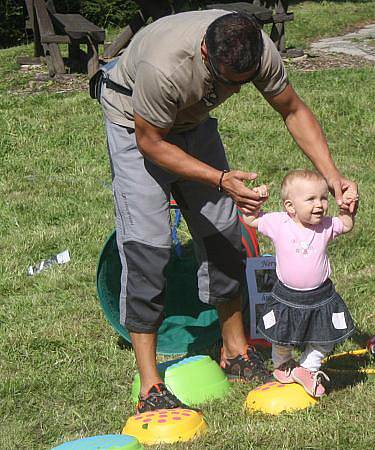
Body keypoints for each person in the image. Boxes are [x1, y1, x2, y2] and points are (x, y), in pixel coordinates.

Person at [99, 11, 358, 413]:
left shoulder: (256, 48)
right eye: (227, 82)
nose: (236, 92)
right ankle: (150, 384)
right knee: (148, 248)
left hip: (191, 123)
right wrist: (220, 179)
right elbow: (151, 142)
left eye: (244, 82)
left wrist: (333, 177)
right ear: (205, 51)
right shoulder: (165, 68)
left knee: (223, 232)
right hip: (136, 125)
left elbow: (292, 110)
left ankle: (236, 353)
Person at [242, 170, 357, 397]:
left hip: (321, 296)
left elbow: (346, 224)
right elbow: (250, 220)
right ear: (290, 206)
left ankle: (308, 368)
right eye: (311, 199)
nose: (320, 205)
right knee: (281, 335)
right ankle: (283, 364)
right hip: (287, 296)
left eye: (323, 198)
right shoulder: (278, 223)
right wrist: (255, 203)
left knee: (325, 337)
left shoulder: (325, 225)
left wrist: (348, 209)